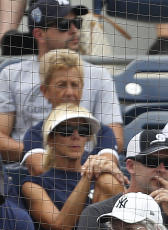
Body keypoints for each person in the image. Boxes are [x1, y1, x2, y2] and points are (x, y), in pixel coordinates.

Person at [0, 0, 122, 161]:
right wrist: (40, 155)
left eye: (77, 22)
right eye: (64, 25)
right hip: (28, 170)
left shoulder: (99, 75)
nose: (74, 30)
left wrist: (79, 162)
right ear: (39, 34)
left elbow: (116, 138)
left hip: (85, 169)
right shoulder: (11, 74)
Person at [21, 103, 123, 230]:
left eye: (83, 131)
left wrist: (116, 177)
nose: (76, 136)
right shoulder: (33, 184)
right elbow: (62, 226)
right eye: (66, 131)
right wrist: (87, 175)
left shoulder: (101, 178)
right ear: (51, 139)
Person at [21, 48, 118, 176]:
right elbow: (41, 170)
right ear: (45, 91)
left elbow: (108, 169)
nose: (69, 92)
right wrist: (91, 166)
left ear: (82, 89)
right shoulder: (35, 134)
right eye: (61, 85)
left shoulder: (103, 131)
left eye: (74, 85)